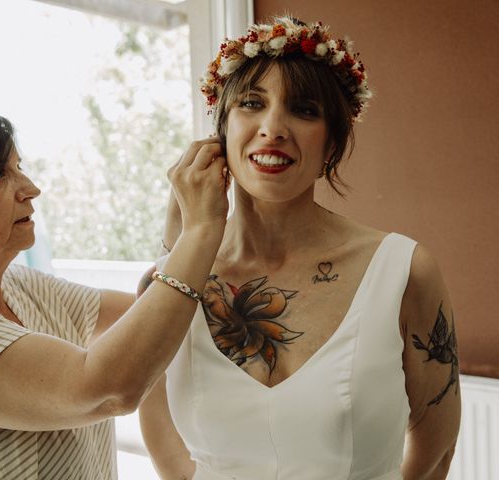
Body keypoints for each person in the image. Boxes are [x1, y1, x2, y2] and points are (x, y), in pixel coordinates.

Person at [138, 15, 461, 480]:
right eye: (252, 103)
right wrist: (191, 237)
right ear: (221, 133)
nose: (273, 128)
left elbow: (435, 450)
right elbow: (162, 438)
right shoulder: (168, 280)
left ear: (331, 145)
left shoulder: (405, 270)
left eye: (304, 110)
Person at [0, 107, 229, 479]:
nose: (30, 189)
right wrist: (200, 230)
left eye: (18, 167)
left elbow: (158, 322)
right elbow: (108, 389)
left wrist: (178, 223)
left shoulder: (20, 285)